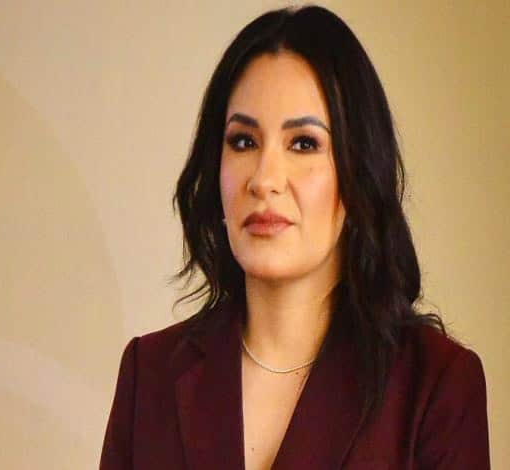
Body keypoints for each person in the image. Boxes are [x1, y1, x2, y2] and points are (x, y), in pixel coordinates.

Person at [100, 5, 489, 470]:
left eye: (304, 143)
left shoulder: (436, 385)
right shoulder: (150, 375)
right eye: (243, 141)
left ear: (358, 171)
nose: (264, 179)